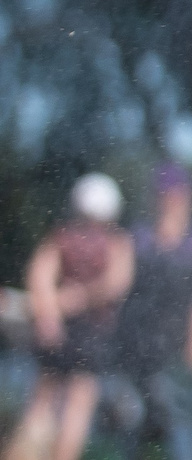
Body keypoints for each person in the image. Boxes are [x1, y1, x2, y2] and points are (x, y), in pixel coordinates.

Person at [7, 173, 133, 460]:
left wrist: (52, 312)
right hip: (93, 334)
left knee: (41, 402)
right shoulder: (116, 242)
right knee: (78, 407)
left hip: (56, 331)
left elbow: (39, 277)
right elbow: (117, 283)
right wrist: (77, 300)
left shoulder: (62, 237)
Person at [112, 164, 192, 460]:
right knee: (131, 419)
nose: (170, 200)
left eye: (176, 193)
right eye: (163, 194)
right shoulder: (139, 235)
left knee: (179, 417)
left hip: (175, 346)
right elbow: (119, 284)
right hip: (134, 342)